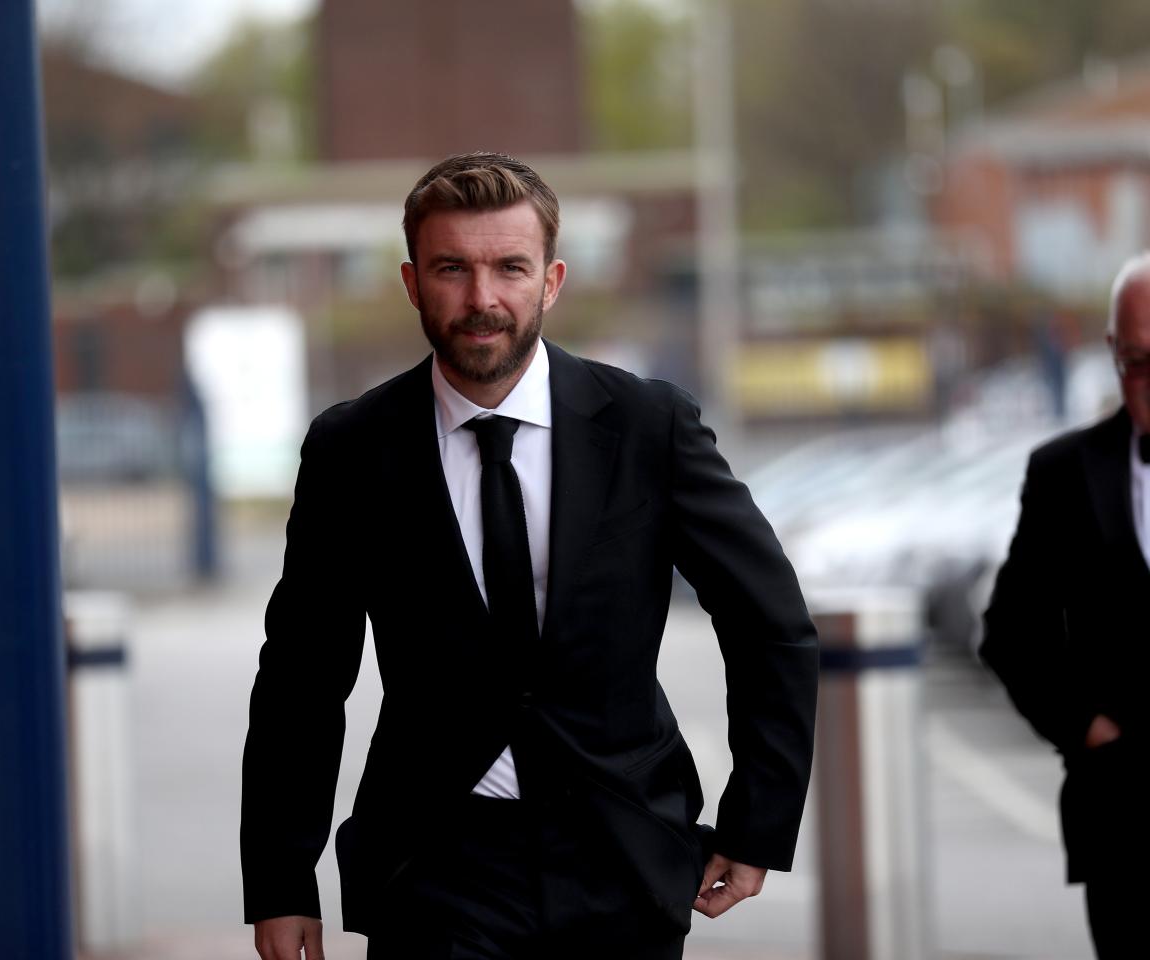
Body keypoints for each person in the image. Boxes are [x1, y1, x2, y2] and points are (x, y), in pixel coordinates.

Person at [241, 151, 819, 960]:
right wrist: (279, 877)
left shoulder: (651, 428)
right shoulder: (353, 448)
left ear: (550, 281)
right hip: (435, 868)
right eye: (453, 269)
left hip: (621, 855)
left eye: (509, 268)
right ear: (412, 283)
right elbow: (303, 672)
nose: (483, 299)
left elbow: (772, 627)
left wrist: (759, 819)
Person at [981, 252, 1150, 959]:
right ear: (1112, 355)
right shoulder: (1063, 473)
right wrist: (1084, 727)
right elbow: (1010, 632)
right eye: (1139, 360)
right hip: (1125, 828)